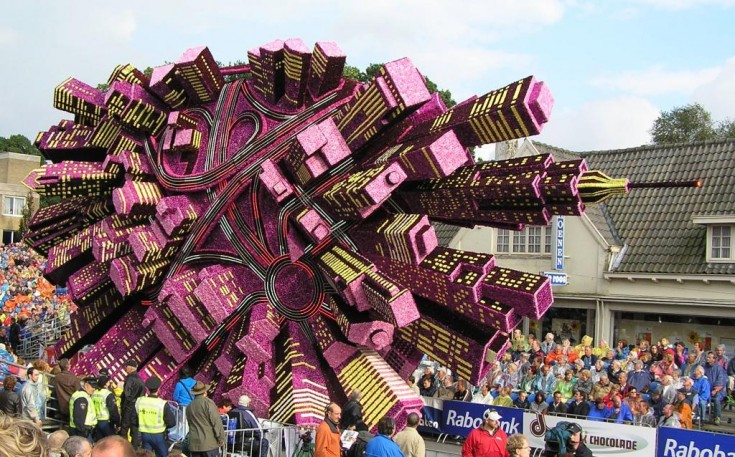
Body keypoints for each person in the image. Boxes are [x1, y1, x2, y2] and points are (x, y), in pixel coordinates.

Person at [135, 377, 175, 457]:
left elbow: (135, 417)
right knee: (163, 454)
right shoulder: (162, 403)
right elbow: (171, 422)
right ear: (159, 388)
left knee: (146, 455)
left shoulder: (139, 401)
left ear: (148, 388)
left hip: (144, 434)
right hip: (158, 435)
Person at [186, 380, 225, 457]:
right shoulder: (208, 403)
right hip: (209, 444)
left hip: (194, 444)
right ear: (205, 392)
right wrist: (221, 439)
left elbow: (190, 423)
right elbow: (216, 422)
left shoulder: (189, 406)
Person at [120, 360, 146, 448]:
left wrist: (124, 407)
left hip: (129, 407)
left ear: (130, 367)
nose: (125, 368)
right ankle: (134, 449)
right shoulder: (140, 380)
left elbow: (127, 395)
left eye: (126, 366)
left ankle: (124, 449)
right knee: (134, 429)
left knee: (124, 428)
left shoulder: (130, 379)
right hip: (137, 407)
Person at [93, 374, 121, 440]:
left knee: (99, 441)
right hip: (106, 421)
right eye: (108, 381)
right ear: (105, 384)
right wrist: (117, 423)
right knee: (111, 441)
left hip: (96, 420)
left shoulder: (94, 393)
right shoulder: (108, 394)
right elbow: (113, 410)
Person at [703, 351, 727, 425]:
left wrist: (715, 390)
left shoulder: (719, 369)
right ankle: (700, 417)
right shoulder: (703, 367)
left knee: (716, 399)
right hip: (706, 390)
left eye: (710, 357)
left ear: (714, 359)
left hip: (717, 391)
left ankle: (717, 417)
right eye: (707, 357)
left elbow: (721, 381)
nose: (708, 359)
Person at [55, 358, 81, 425]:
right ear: (68, 366)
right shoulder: (75, 379)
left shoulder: (56, 377)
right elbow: (79, 393)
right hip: (73, 407)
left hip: (61, 407)